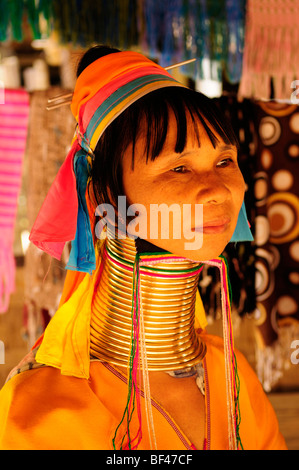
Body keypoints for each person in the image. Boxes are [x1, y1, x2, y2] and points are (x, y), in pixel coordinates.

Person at [0, 45, 287, 450]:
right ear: (102, 191)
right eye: (179, 168)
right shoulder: (38, 408)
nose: (218, 190)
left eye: (225, 161)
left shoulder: (234, 376)